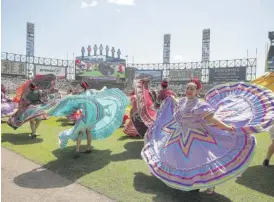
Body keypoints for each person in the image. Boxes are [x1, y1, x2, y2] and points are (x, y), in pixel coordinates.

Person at [141, 78, 274, 194]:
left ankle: (210, 185)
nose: (189, 90)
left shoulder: (201, 105)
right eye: (187, 88)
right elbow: (178, 104)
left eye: (192, 89)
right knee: (177, 159)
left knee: (202, 162)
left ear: (197, 91)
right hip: (179, 135)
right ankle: (189, 184)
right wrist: (172, 99)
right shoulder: (182, 101)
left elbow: (213, 120)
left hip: (198, 137)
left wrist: (227, 128)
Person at [49, 87, 129, 158]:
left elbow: (72, 103)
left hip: (84, 120)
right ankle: (88, 147)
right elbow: (101, 91)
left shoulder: (82, 99)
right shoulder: (94, 101)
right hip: (92, 121)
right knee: (88, 132)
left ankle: (77, 150)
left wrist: (53, 110)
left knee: (80, 133)